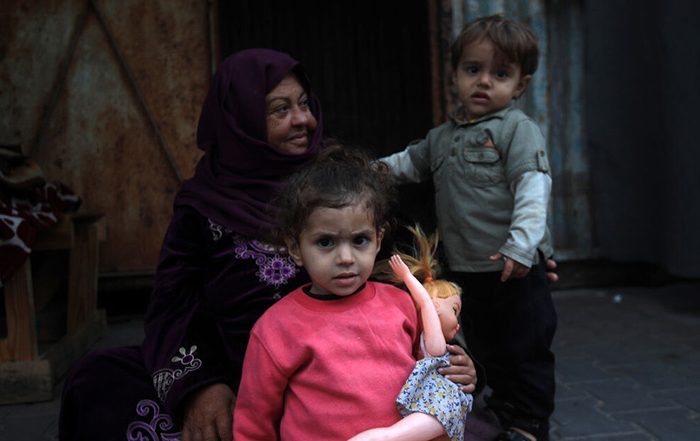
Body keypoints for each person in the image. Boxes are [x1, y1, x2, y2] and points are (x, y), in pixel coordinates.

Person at [58, 48, 477, 441]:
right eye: (281, 109)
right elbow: (172, 306)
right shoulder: (204, 204)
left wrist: (449, 351)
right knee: (98, 382)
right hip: (234, 366)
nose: (304, 120)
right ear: (239, 119)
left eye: (305, 104)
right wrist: (200, 386)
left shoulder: (341, 182)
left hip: (350, 365)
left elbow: (410, 284)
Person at [380, 15, 557, 441]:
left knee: (524, 349)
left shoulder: (517, 130)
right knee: (480, 347)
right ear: (454, 75)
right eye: (472, 70)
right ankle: (494, 414)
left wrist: (520, 246)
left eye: (500, 74)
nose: (483, 82)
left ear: (520, 85)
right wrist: (366, 173)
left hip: (514, 269)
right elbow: (407, 163)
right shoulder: (441, 137)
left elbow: (533, 188)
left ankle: (530, 423)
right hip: (463, 270)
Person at [234, 146, 460, 441]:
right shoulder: (276, 329)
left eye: (360, 240)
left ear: (379, 240)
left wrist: (462, 370)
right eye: (326, 242)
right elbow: (254, 422)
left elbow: (431, 370)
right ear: (294, 247)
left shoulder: (401, 304)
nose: (345, 257)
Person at [349, 226, 473, 441]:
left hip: (441, 408)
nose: (458, 325)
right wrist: (406, 276)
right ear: (435, 308)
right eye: (454, 310)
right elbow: (425, 303)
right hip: (438, 409)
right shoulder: (435, 346)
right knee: (393, 437)